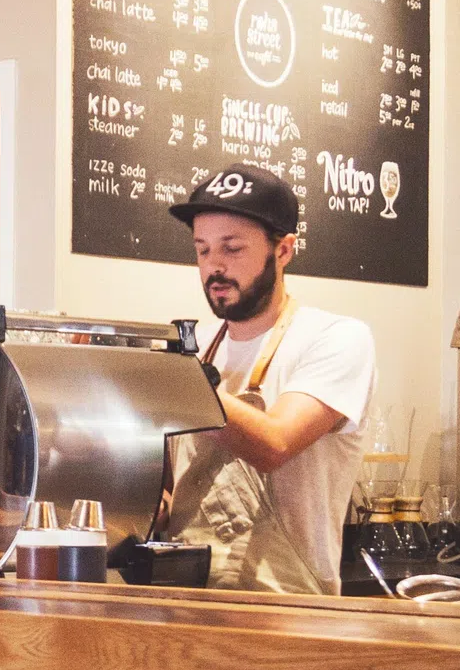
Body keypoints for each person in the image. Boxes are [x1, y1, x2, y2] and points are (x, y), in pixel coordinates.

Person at [158, 163, 376, 593]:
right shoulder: (194, 347)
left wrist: (176, 380)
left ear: (283, 250)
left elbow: (274, 444)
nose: (214, 266)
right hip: (187, 600)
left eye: (232, 248)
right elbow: (168, 495)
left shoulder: (336, 338)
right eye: (202, 250)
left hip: (289, 610)